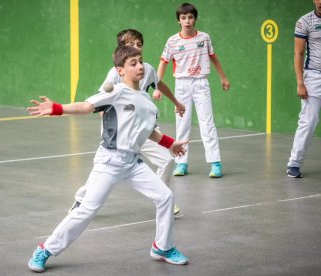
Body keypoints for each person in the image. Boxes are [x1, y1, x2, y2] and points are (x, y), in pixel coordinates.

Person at [27, 46, 189, 273]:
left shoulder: (147, 101)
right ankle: (45, 250)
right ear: (120, 70)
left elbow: (149, 132)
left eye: (140, 61)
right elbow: (85, 106)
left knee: (165, 197)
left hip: (133, 163)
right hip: (109, 162)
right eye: (133, 63)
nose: (140, 66)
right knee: (86, 210)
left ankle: (162, 247)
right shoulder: (116, 92)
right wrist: (56, 108)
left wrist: (170, 144)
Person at [69, 29, 185, 215]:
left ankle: (161, 200)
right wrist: (112, 130)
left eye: (139, 45)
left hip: (145, 130)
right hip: (121, 135)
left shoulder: (146, 69)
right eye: (131, 44)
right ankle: (81, 201)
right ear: (122, 49)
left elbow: (159, 84)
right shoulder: (115, 74)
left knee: (167, 160)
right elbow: (101, 103)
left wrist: (177, 102)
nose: (136, 47)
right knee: (102, 174)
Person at [157, 3, 230, 178]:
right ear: (178, 21)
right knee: (182, 124)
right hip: (181, 85)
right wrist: (157, 86)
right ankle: (181, 163)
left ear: (195, 19)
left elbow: (213, 57)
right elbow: (163, 62)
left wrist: (223, 76)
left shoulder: (204, 38)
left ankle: (215, 163)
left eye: (190, 17)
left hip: (201, 83)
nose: (187, 21)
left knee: (207, 123)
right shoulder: (172, 41)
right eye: (183, 18)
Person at [287, 0, 321, 178]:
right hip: (313, 77)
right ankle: (294, 163)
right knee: (308, 121)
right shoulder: (304, 21)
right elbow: (299, 53)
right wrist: (300, 82)